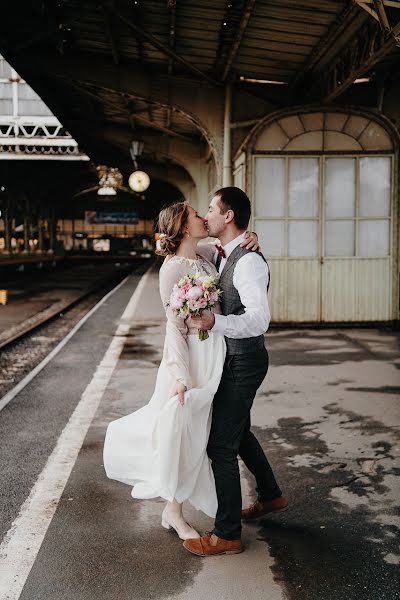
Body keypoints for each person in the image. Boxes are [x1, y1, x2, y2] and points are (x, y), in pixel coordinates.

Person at [103, 200, 260, 541]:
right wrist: (180, 376)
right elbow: (173, 327)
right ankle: (174, 512)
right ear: (186, 226)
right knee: (183, 436)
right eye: (197, 215)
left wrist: (252, 237)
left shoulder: (204, 256)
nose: (205, 218)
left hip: (213, 353)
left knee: (199, 436)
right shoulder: (172, 269)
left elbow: (232, 250)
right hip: (191, 360)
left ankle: (177, 508)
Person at [184, 187, 287, 557]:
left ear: (228, 216)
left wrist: (215, 320)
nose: (206, 215)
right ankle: (271, 496)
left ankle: (227, 534)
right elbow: (187, 245)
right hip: (234, 359)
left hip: (244, 361)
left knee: (220, 445)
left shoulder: (248, 262)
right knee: (239, 432)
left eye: (211, 209)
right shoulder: (224, 251)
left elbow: (259, 320)